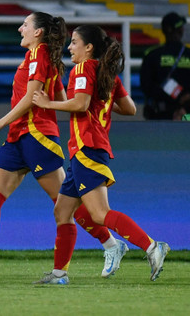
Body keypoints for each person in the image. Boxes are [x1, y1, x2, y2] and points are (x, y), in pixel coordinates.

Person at [0, 13, 123, 282]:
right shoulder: (39, 57)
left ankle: (111, 244)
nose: (19, 28)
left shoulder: (40, 55)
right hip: (18, 139)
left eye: (25, 25)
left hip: (37, 138)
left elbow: (31, 98)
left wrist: (0, 122)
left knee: (66, 206)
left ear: (38, 32)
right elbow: (59, 94)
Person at [31, 24, 170, 284]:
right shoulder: (108, 75)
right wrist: (100, 101)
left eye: (74, 42)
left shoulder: (83, 69)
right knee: (62, 211)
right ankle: (59, 274)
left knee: (98, 213)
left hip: (88, 148)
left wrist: (49, 103)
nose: (69, 47)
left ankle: (152, 246)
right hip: (85, 150)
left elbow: (81, 104)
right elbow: (129, 108)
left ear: (89, 47)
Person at [141, 12, 190, 120]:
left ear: (164, 31)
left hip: (160, 116)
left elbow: (146, 86)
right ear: (181, 31)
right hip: (186, 115)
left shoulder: (152, 55)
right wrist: (183, 106)